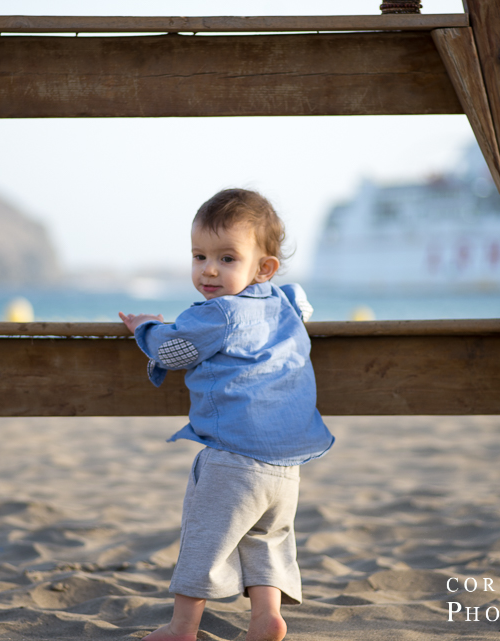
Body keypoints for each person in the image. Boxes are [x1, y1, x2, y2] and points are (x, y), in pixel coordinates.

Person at [119, 189, 334, 641]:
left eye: (227, 258)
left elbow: (176, 350)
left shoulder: (221, 313)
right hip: (287, 464)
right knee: (268, 539)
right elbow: (301, 300)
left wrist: (145, 328)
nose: (209, 269)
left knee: (204, 539)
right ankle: (266, 618)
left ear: (263, 268)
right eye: (199, 256)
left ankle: (181, 627)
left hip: (234, 457)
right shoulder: (287, 305)